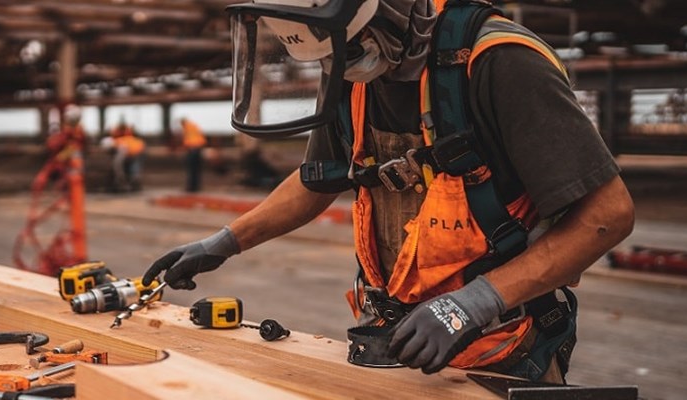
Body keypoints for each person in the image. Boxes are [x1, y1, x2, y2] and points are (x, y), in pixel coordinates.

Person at [141, 0, 634, 384]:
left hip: (503, 349)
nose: (339, 68)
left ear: (388, 15)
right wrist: (225, 242)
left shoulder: (498, 61)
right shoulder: (352, 64)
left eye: (349, 52)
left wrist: (476, 301)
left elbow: (608, 214)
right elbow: (320, 178)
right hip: (398, 343)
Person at [178, 117, 207, 192]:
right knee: (196, 169)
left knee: (191, 169)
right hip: (198, 148)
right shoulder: (193, 126)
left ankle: (192, 187)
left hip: (193, 149)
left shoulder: (187, 127)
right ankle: (195, 186)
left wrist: (185, 147)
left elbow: (188, 140)